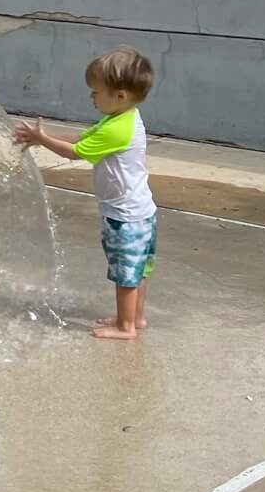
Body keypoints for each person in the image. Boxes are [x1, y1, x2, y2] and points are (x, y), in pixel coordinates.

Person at [13, 48, 158, 342]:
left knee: (125, 274)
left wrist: (42, 139)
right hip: (140, 212)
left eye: (96, 92)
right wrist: (43, 139)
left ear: (119, 95)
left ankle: (125, 327)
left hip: (126, 217)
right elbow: (82, 138)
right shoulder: (122, 118)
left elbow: (74, 152)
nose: (91, 97)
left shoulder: (117, 130)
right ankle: (133, 317)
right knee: (138, 270)